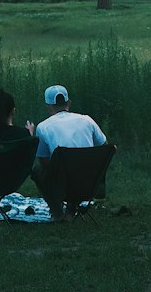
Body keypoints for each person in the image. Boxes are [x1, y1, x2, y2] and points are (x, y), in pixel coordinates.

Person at [27, 83, 107, 221]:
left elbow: (45, 163)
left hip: (63, 187)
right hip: (90, 184)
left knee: (37, 171)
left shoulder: (43, 127)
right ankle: (74, 205)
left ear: (48, 106)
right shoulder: (87, 120)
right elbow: (104, 148)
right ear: (69, 103)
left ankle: (58, 212)